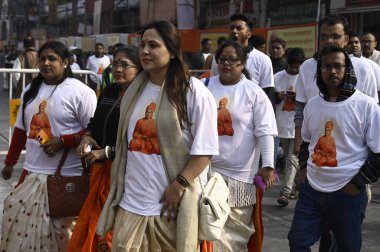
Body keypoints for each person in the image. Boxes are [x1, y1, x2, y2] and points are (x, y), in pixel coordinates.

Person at [96, 20, 219, 251]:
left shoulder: (192, 91)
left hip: (168, 205)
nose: (144, 51)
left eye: (153, 45)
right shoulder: (135, 90)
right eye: (142, 45)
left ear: (172, 51)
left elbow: (205, 149)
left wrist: (179, 185)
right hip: (131, 200)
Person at [0, 40, 97, 251]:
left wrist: (63, 142)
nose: (46, 63)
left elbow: (94, 132)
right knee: (17, 224)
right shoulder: (30, 90)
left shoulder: (81, 92)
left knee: (63, 237)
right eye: (42, 59)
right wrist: (10, 162)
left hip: (66, 178)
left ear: (65, 62)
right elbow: (20, 130)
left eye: (52, 59)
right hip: (32, 173)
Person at [288, 45, 380, 252]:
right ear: (320, 71)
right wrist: (304, 171)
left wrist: (356, 183)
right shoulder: (313, 105)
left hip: (347, 192)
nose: (332, 71)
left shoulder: (367, 106)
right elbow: (306, 143)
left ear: (347, 69)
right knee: (298, 241)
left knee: (347, 247)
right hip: (312, 189)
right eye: (327, 66)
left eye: (338, 66)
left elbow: (379, 154)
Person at [203, 40, 277, 252]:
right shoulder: (204, 86)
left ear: (242, 63)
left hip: (241, 177)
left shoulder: (254, 92)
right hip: (207, 172)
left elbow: (266, 132)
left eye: (232, 59)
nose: (226, 64)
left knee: (234, 237)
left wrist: (269, 165)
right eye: (222, 59)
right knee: (208, 229)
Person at [68, 45, 142, 252]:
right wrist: (87, 138)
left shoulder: (143, 98)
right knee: (94, 223)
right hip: (100, 170)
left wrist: (106, 152)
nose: (118, 69)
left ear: (139, 69)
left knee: (114, 229)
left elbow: (140, 142)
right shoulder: (109, 90)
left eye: (125, 65)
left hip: (127, 175)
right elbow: (94, 123)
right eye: (116, 63)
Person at [294, 15, 378, 157]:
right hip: (316, 151)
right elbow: (301, 107)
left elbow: (373, 113)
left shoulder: (364, 69)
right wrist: (298, 140)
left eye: (335, 36)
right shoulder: (307, 67)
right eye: (324, 37)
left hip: (353, 155)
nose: (329, 41)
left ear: (345, 39)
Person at [210, 13, 275, 105]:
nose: (234, 31)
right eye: (232, 28)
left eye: (239, 28)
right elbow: (213, 85)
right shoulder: (219, 57)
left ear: (248, 34)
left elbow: (268, 92)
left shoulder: (263, 59)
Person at [275, 48, 305, 207]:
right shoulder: (278, 77)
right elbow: (268, 100)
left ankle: (285, 191)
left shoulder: (305, 79)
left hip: (298, 125)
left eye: (297, 67)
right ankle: (296, 185)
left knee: (291, 158)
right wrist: (277, 97)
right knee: (291, 159)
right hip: (282, 124)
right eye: (292, 66)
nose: (294, 70)